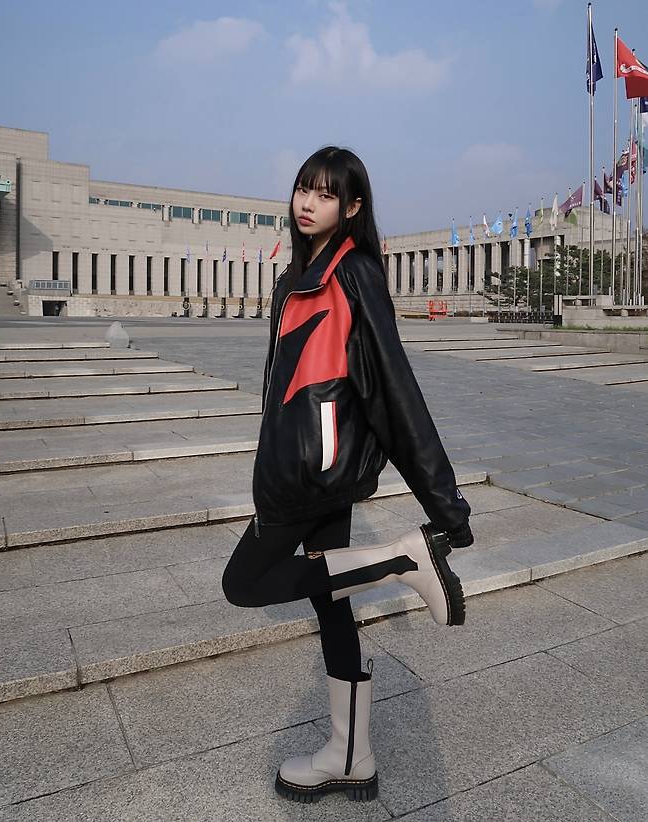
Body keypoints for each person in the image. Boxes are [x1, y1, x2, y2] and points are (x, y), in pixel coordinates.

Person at [222, 146, 474, 804]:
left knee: (243, 582)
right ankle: (352, 754)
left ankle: (402, 560)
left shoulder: (353, 272)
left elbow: (393, 391)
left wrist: (444, 503)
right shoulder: (300, 275)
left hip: (309, 478)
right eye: (304, 188)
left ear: (353, 207)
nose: (308, 203)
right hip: (308, 467)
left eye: (327, 194)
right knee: (331, 600)